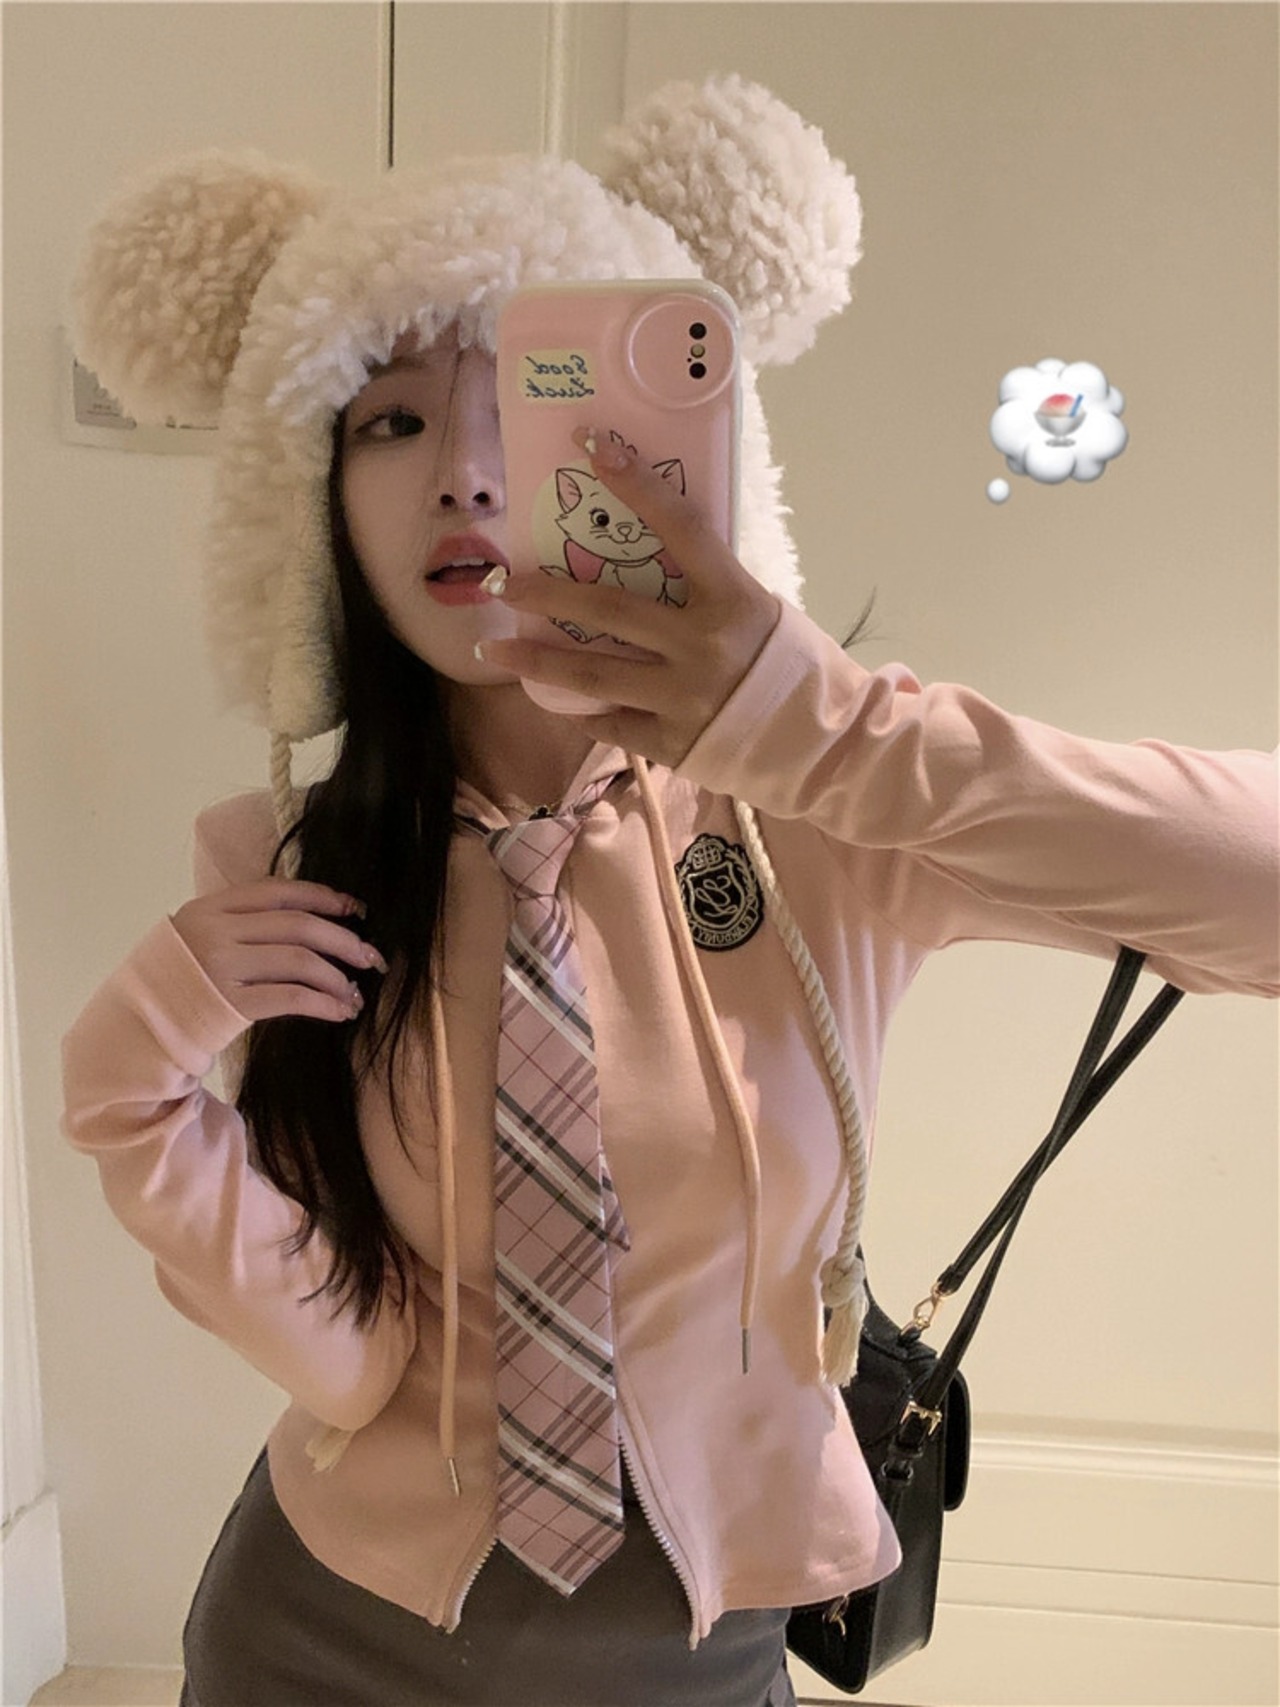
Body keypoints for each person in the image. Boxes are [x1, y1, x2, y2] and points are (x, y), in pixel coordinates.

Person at [61, 76, 1277, 1707]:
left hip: (690, 1661)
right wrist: (127, 1098)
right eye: (391, 420)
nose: (466, 472)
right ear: (312, 502)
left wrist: (818, 726)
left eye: (535, 400)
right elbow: (346, 1360)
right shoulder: (286, 865)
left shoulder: (829, 815)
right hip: (318, 1643)